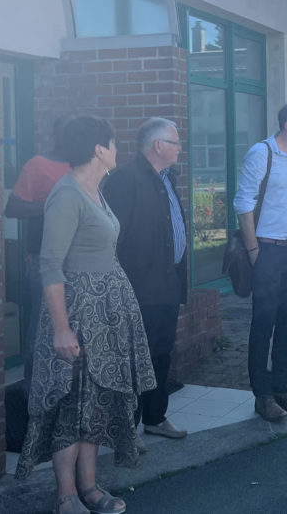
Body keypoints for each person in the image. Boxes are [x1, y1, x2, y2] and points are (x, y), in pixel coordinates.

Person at [16, 115, 156, 514]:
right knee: (70, 402)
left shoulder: (96, 189)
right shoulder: (66, 193)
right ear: (98, 148)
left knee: (94, 401)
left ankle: (90, 488)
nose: (117, 150)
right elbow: (50, 264)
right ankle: (66, 496)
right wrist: (62, 329)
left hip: (106, 315)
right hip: (78, 313)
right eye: (112, 144)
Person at [102, 117, 189, 440]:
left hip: (167, 284)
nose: (180, 149)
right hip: (139, 287)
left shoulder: (166, 178)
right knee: (134, 360)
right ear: (158, 146)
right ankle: (125, 429)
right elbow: (113, 237)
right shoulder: (125, 179)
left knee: (161, 354)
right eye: (175, 143)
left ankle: (155, 417)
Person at [234, 100, 287, 422]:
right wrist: (254, 251)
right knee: (263, 323)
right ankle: (262, 395)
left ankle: (282, 388)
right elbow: (243, 202)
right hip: (267, 251)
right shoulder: (262, 153)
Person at [5, 115, 71, 391]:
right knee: (43, 333)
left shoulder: (83, 166)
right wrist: (49, 206)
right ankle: (34, 398)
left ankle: (65, 395)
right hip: (44, 262)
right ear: (57, 135)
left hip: (80, 263)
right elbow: (12, 208)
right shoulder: (38, 165)